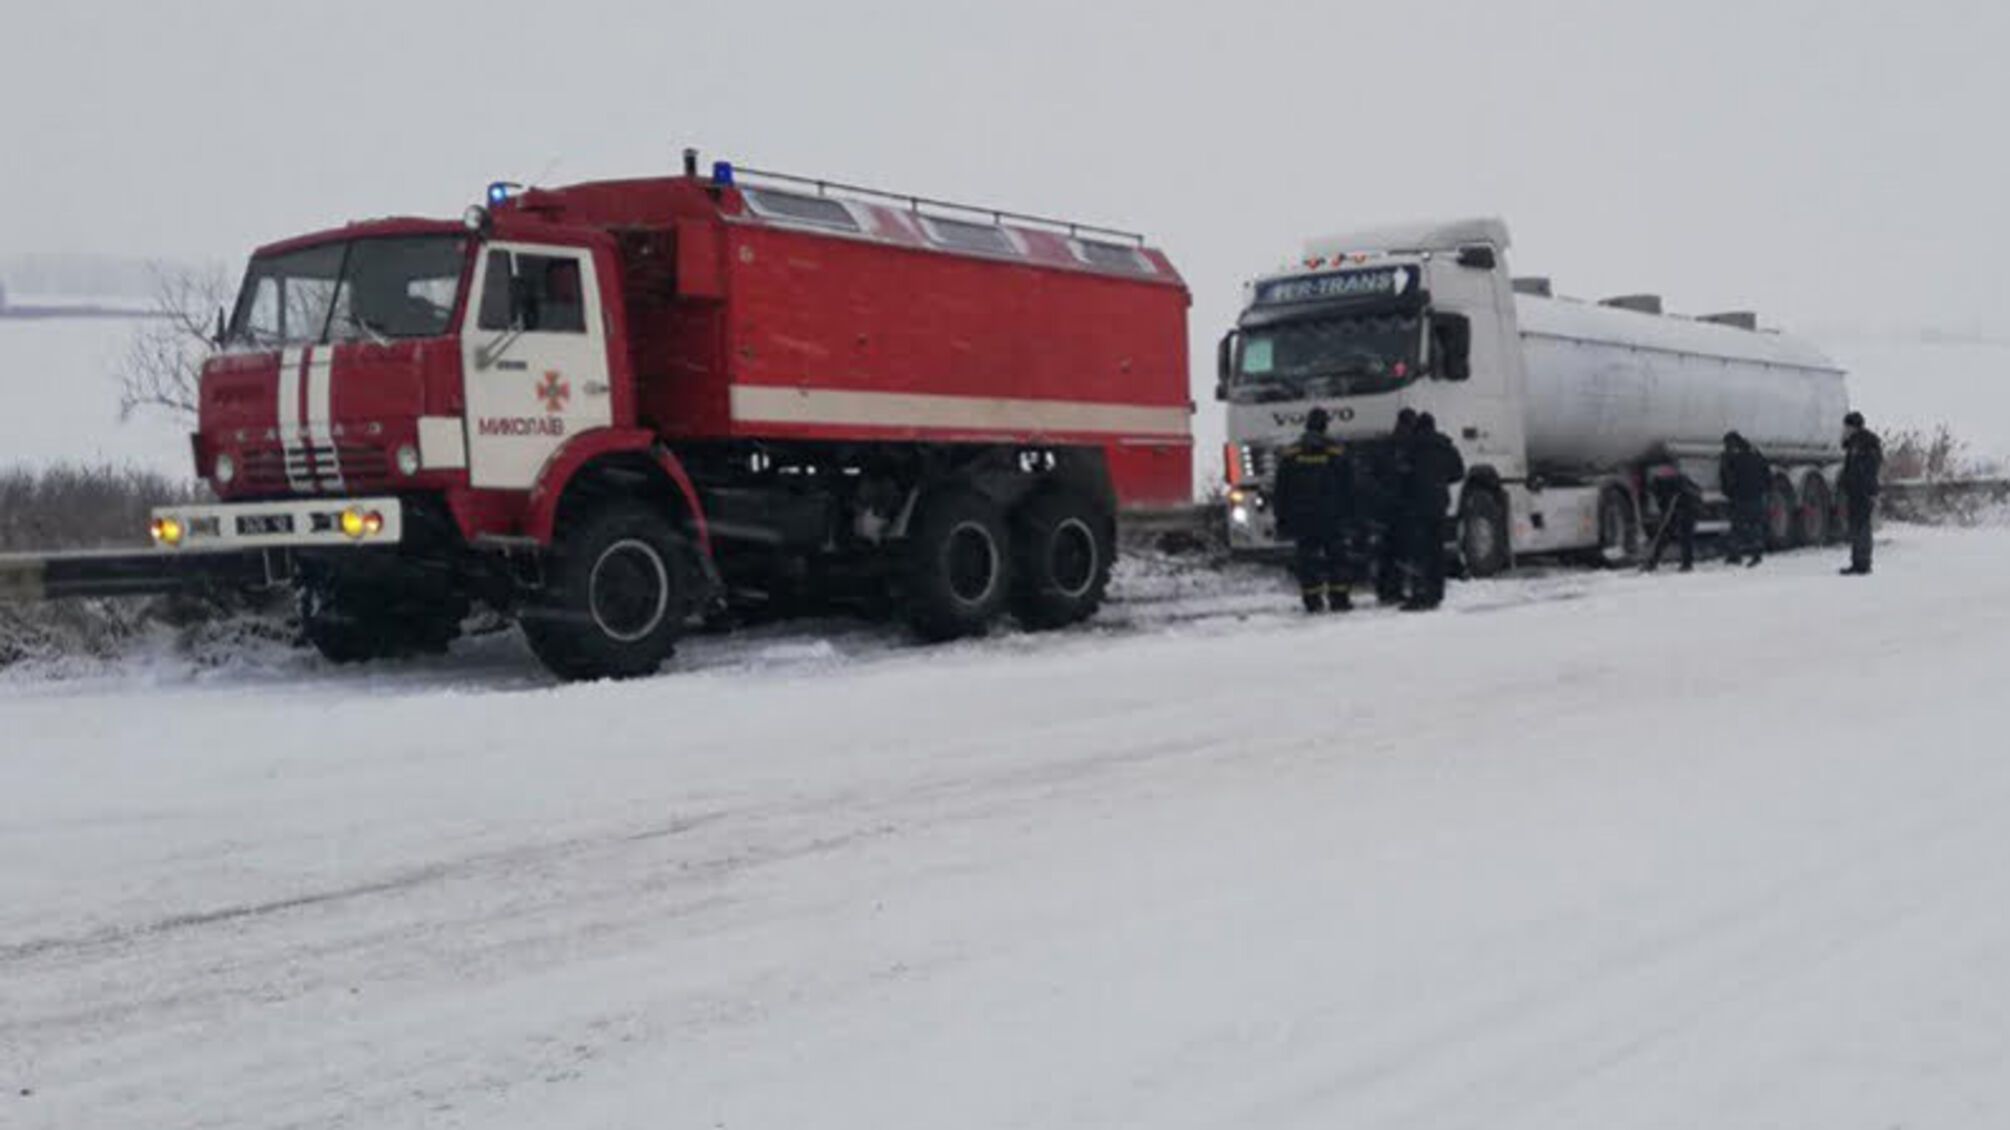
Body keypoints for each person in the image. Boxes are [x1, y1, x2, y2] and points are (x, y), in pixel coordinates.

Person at [1272, 407, 1356, 612]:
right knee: (1337, 557)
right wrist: (1350, 515)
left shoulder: (1291, 454)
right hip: (1331, 516)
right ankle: (1339, 598)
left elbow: (1281, 489)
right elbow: (1349, 487)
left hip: (1302, 517)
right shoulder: (1336, 452)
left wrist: (1282, 517)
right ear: (1325, 425)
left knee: (1307, 559)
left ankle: (1312, 600)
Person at [1400, 412, 1464, 610]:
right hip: (1439, 504)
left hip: (1417, 505)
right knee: (1436, 550)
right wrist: (1440, 480)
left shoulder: (1411, 447)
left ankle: (1420, 593)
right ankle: (1436, 592)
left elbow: (1402, 472)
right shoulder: (1445, 446)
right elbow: (1458, 472)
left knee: (1419, 551)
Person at [1372, 408, 1418, 604]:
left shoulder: (1386, 445)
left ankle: (1384, 589)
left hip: (1385, 506)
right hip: (1404, 505)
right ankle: (1395, 589)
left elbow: (1375, 473)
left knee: (1386, 552)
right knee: (1401, 551)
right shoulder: (1411, 445)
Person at [1839, 410, 1883, 575]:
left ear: (1853, 427)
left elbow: (1868, 468)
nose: (1845, 430)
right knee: (1856, 526)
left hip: (1863, 491)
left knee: (1862, 526)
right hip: (1856, 491)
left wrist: (1863, 486)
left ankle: (1863, 562)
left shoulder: (1865, 444)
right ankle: (1857, 561)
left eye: (1847, 427)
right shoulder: (1854, 444)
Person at [1718, 431, 1770, 567]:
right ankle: (1756, 554)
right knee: (1755, 525)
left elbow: (1726, 477)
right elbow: (1767, 472)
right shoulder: (1755, 453)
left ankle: (1735, 555)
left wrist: (1729, 493)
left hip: (1740, 496)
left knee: (1737, 527)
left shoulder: (1730, 457)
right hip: (1756, 495)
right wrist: (1764, 489)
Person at [1641, 466, 1701, 573]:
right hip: (1675, 508)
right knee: (1665, 535)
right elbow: (1663, 504)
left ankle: (1687, 564)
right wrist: (1665, 514)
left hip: (1688, 508)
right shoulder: (1659, 486)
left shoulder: (1679, 484)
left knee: (1685, 536)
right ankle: (1652, 562)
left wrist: (1676, 509)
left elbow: (1693, 495)